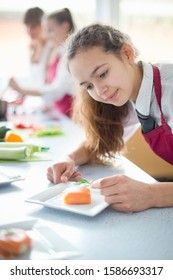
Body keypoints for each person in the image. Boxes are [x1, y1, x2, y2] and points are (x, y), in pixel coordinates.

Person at [47, 23, 173, 213]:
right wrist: (69, 159)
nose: (99, 91)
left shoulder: (169, 89)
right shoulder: (131, 92)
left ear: (127, 54)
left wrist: (151, 194)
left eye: (103, 74)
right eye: (88, 86)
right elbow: (98, 144)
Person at [9, 8, 76, 118]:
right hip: (60, 111)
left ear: (64, 27)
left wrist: (23, 90)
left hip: (71, 112)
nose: (46, 35)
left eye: (50, 30)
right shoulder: (57, 50)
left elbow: (57, 90)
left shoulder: (68, 54)